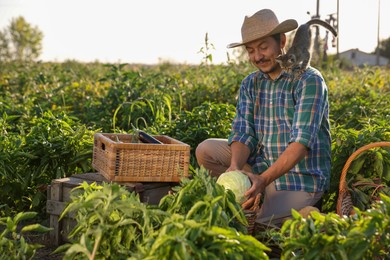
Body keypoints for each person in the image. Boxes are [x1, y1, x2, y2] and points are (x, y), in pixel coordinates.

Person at [195, 9, 331, 226]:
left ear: (282, 41)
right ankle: (263, 194)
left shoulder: (308, 80)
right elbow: (243, 131)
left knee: (253, 223)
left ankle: (308, 213)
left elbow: (301, 144)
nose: (257, 56)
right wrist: (235, 167)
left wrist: (264, 179)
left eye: (263, 47)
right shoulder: (251, 83)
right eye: (251, 50)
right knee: (205, 151)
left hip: (299, 179)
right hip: (262, 167)